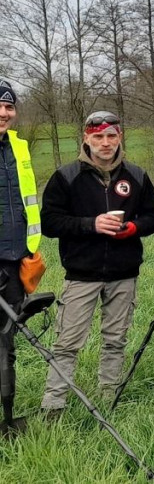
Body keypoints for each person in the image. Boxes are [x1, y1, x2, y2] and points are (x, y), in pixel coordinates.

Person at [39, 111, 154, 416]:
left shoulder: (136, 175)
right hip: (81, 274)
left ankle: (108, 398)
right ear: (86, 138)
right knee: (67, 342)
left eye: (111, 136)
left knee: (115, 339)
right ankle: (53, 404)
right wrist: (91, 225)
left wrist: (134, 228)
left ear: (120, 136)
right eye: (98, 137)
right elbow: (49, 223)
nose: (105, 143)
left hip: (124, 272)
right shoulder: (66, 176)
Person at [0, 80, 41, 431]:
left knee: (7, 338)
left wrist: (30, 249)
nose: (3, 113)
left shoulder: (20, 147)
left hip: (16, 259)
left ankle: (7, 417)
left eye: (8, 107)